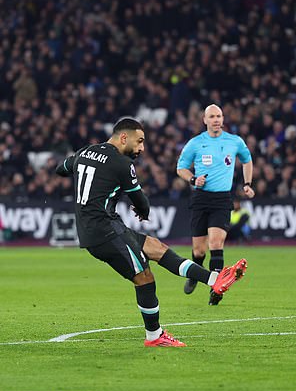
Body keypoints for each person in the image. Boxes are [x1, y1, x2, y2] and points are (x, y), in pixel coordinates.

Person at [55, 117, 247, 347]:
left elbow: (61, 169)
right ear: (123, 137)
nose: (142, 148)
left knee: (156, 248)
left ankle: (214, 279)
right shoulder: (121, 163)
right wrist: (143, 212)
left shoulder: (86, 152)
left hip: (102, 227)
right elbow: (141, 202)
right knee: (144, 277)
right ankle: (154, 336)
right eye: (139, 142)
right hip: (104, 231)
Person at [176, 104, 255, 305]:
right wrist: (193, 180)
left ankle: (217, 289)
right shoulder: (195, 143)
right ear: (205, 120)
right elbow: (181, 168)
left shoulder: (234, 141)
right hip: (201, 198)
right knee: (199, 250)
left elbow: (247, 160)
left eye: (219, 116)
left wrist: (247, 184)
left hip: (222, 199)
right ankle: (194, 274)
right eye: (212, 116)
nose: (216, 120)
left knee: (216, 243)